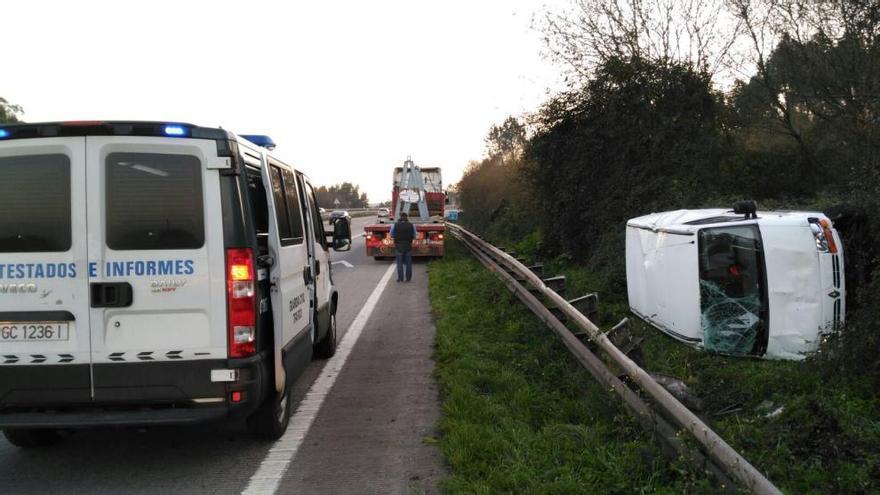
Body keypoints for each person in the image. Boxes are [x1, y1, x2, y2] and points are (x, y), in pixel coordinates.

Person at [391, 212, 416, 282]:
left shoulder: (394, 225)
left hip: (398, 246)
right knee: (409, 263)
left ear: (400, 217)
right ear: (407, 217)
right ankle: (408, 278)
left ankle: (400, 278)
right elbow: (414, 236)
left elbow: (392, 235)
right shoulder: (412, 225)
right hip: (408, 246)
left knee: (399, 263)